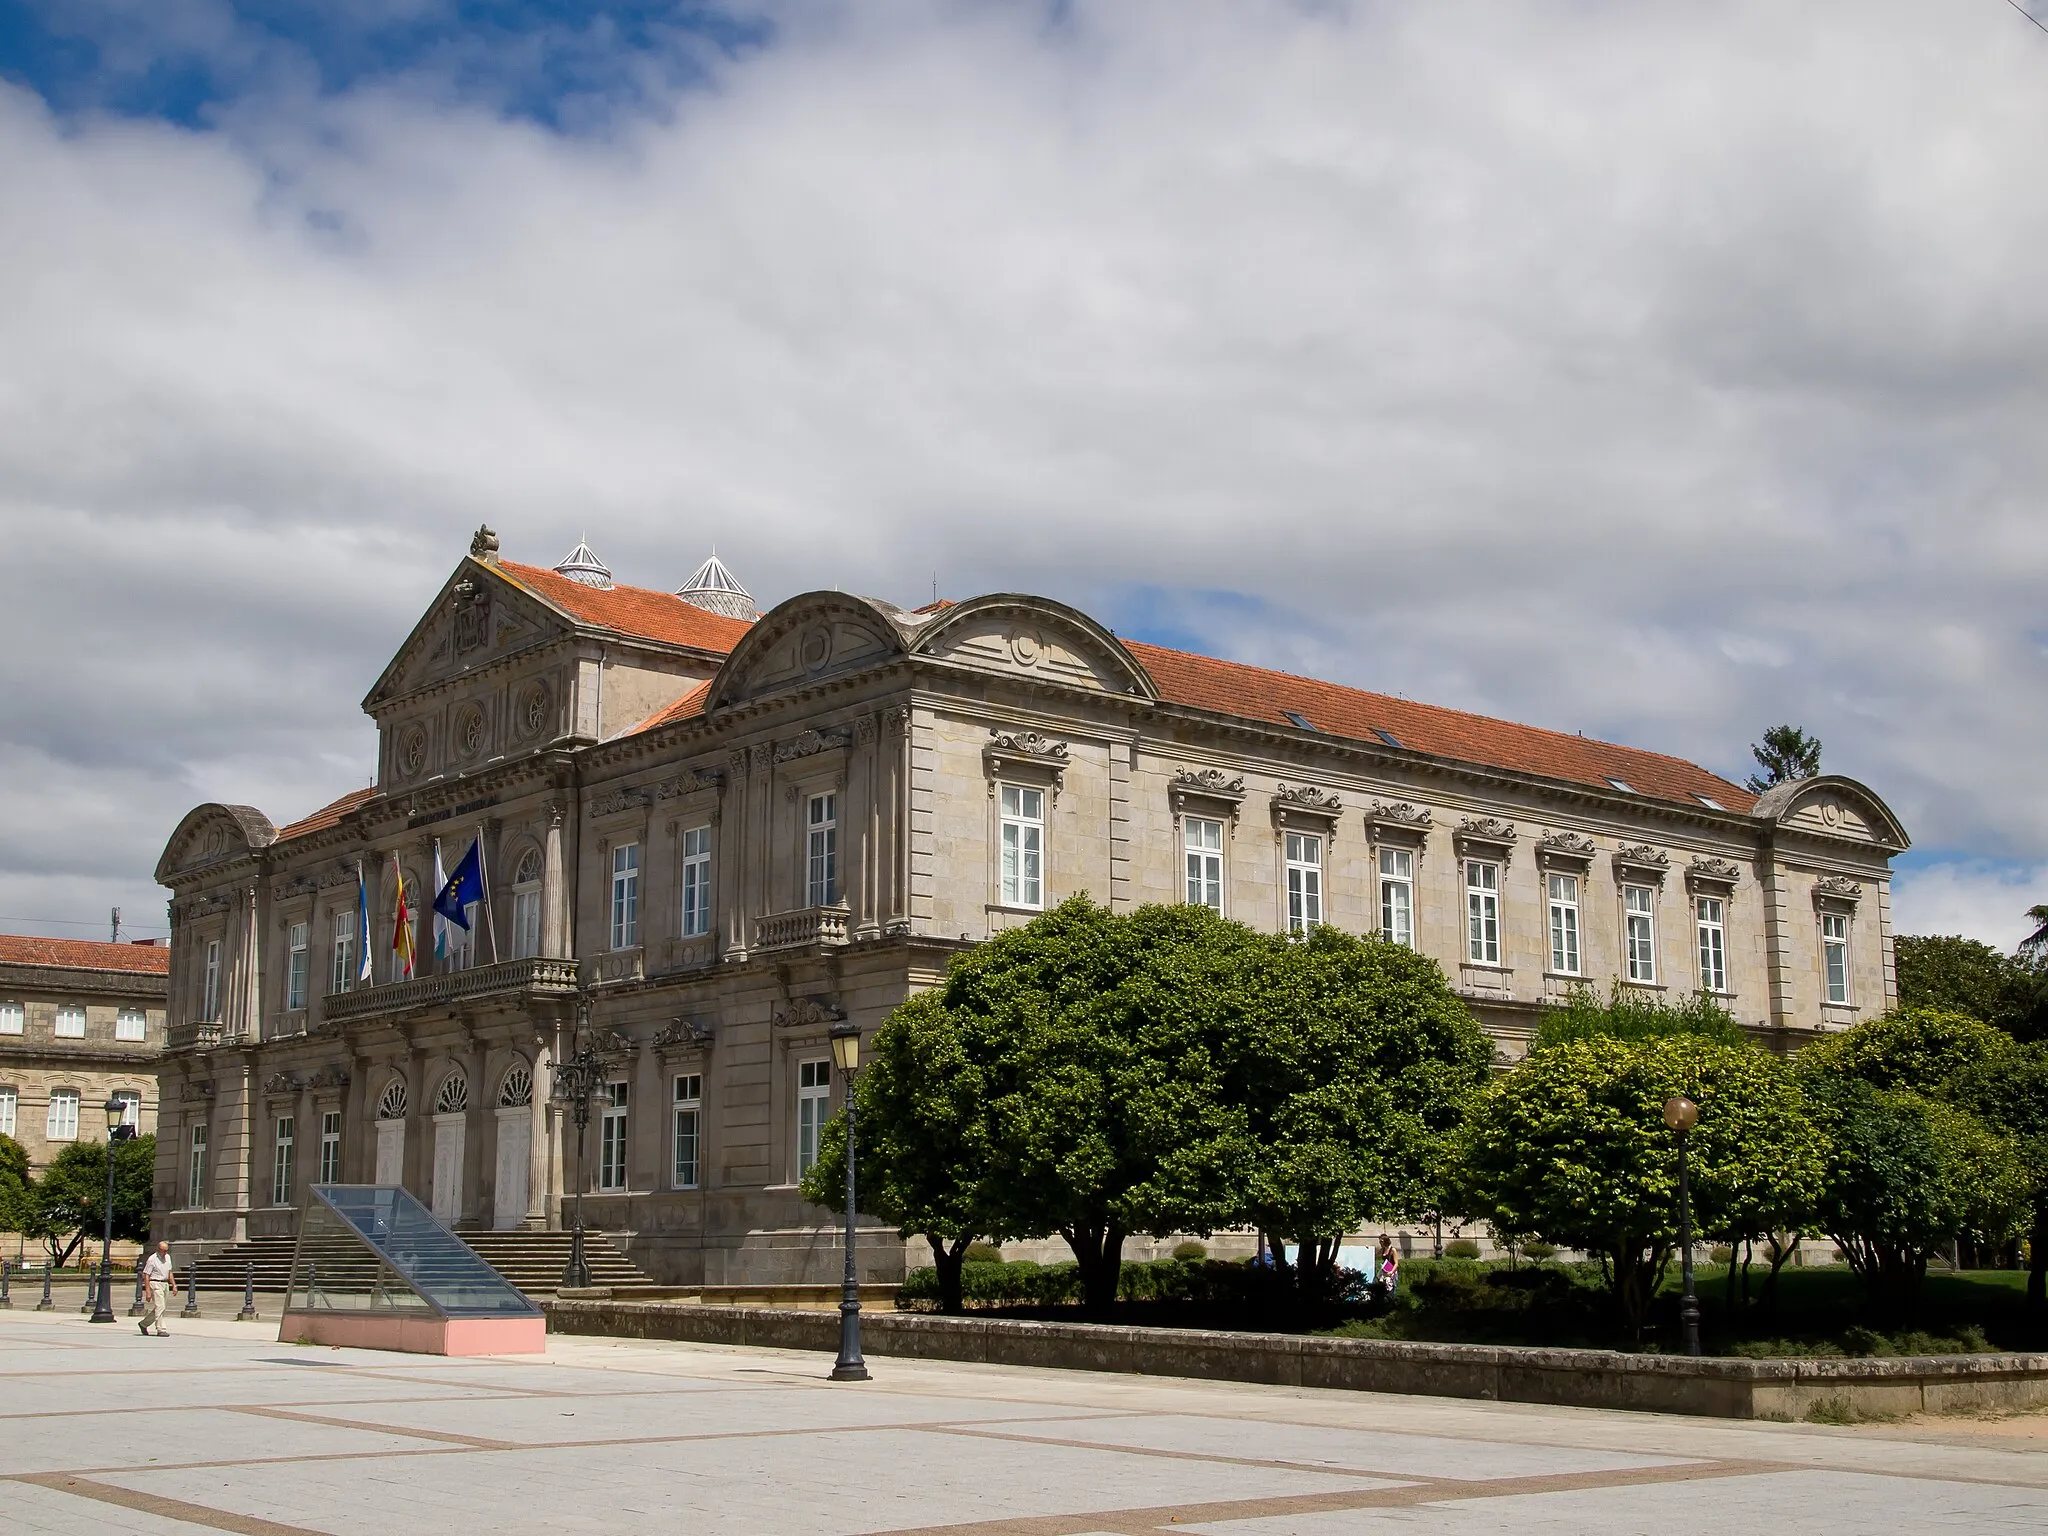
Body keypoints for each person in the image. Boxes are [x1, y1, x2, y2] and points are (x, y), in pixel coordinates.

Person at [139, 1241, 175, 1337]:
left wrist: (174, 1285)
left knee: (161, 1307)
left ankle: (143, 1324)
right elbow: (146, 1275)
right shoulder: (152, 1259)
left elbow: (170, 1272)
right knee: (160, 1306)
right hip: (155, 1283)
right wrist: (148, 1291)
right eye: (163, 1251)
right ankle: (160, 1329)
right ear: (158, 1249)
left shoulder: (167, 1257)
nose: (164, 1253)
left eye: (166, 1251)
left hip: (165, 1283)